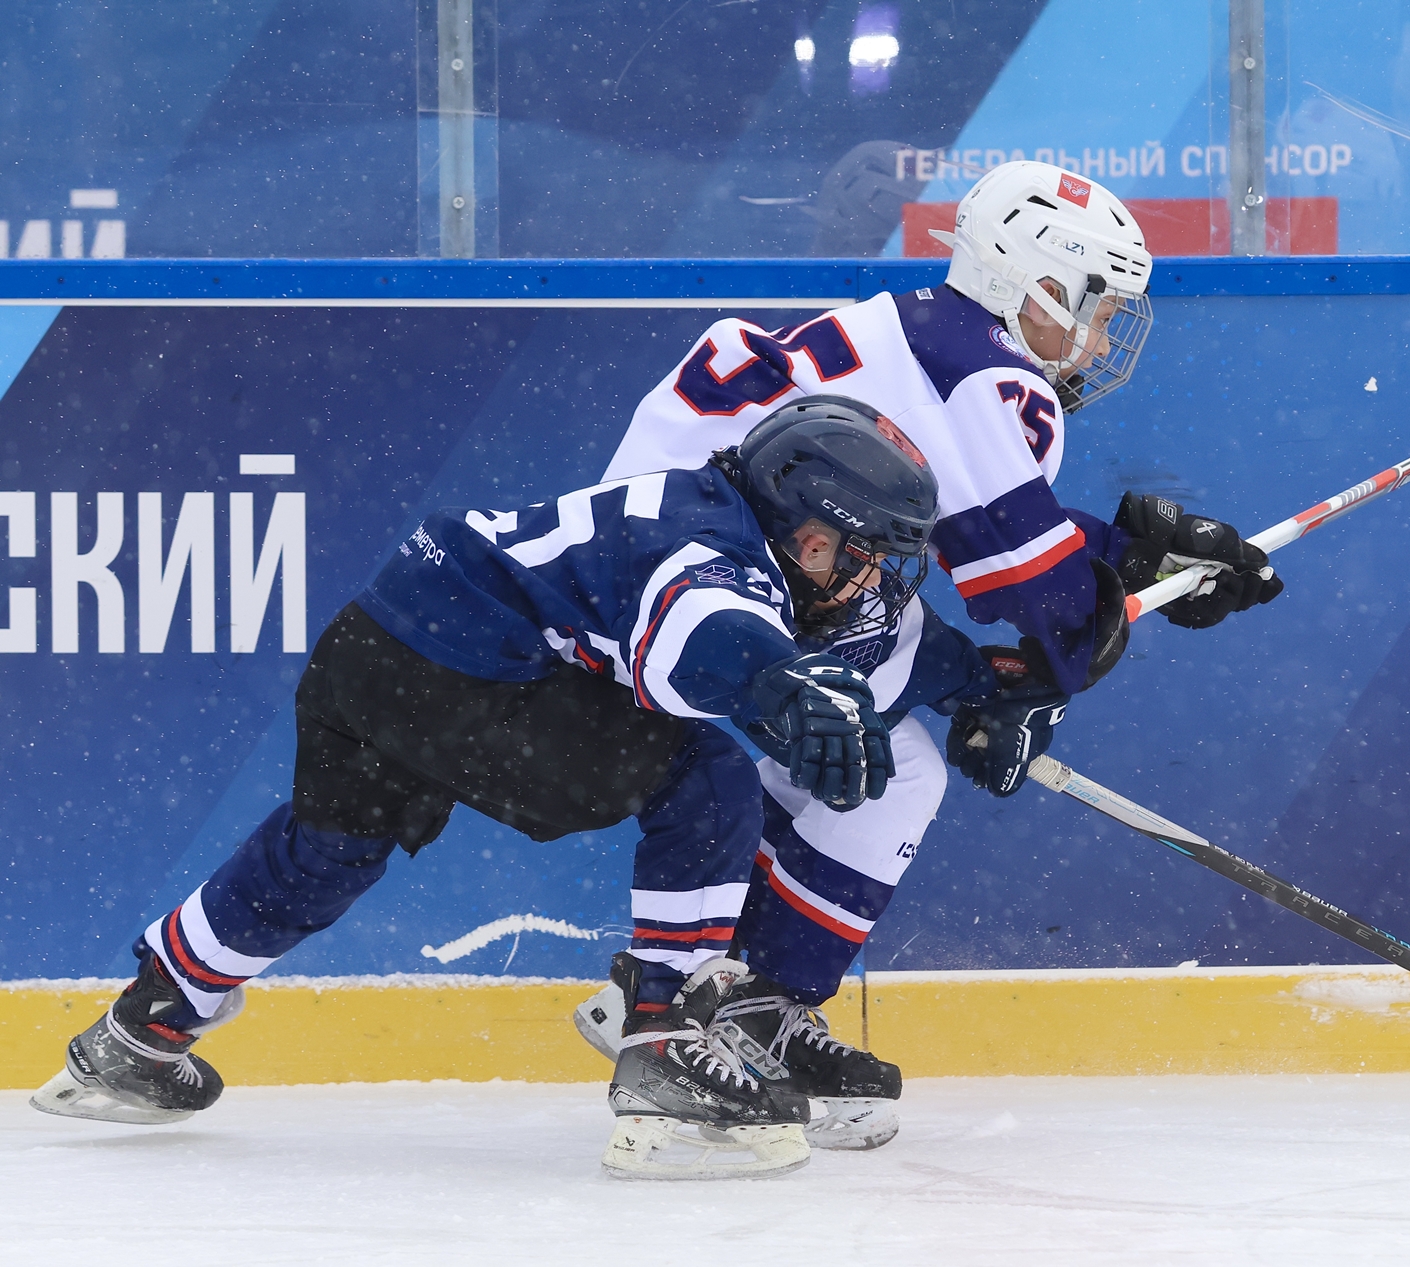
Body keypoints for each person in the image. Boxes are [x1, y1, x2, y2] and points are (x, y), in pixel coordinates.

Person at [32, 399, 990, 1182]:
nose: (870, 578)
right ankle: (662, 1039)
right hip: (474, 676)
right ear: (803, 530)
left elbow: (863, 640)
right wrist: (778, 684)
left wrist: (987, 682)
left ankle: (143, 1026)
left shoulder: (719, 513)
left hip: (375, 649)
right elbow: (705, 625)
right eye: (858, 552)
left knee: (329, 849)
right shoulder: (710, 551)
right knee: (706, 775)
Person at [574, 161, 1286, 1144]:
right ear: (1035, 285)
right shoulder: (985, 374)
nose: (1101, 337)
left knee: (865, 765)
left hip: (666, 561)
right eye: (1095, 308)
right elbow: (1034, 592)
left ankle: (711, 999)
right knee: (886, 767)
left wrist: (1134, 554)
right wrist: (1066, 651)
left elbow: (984, 518)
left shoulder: (924, 333)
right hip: (709, 581)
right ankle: (704, 1009)